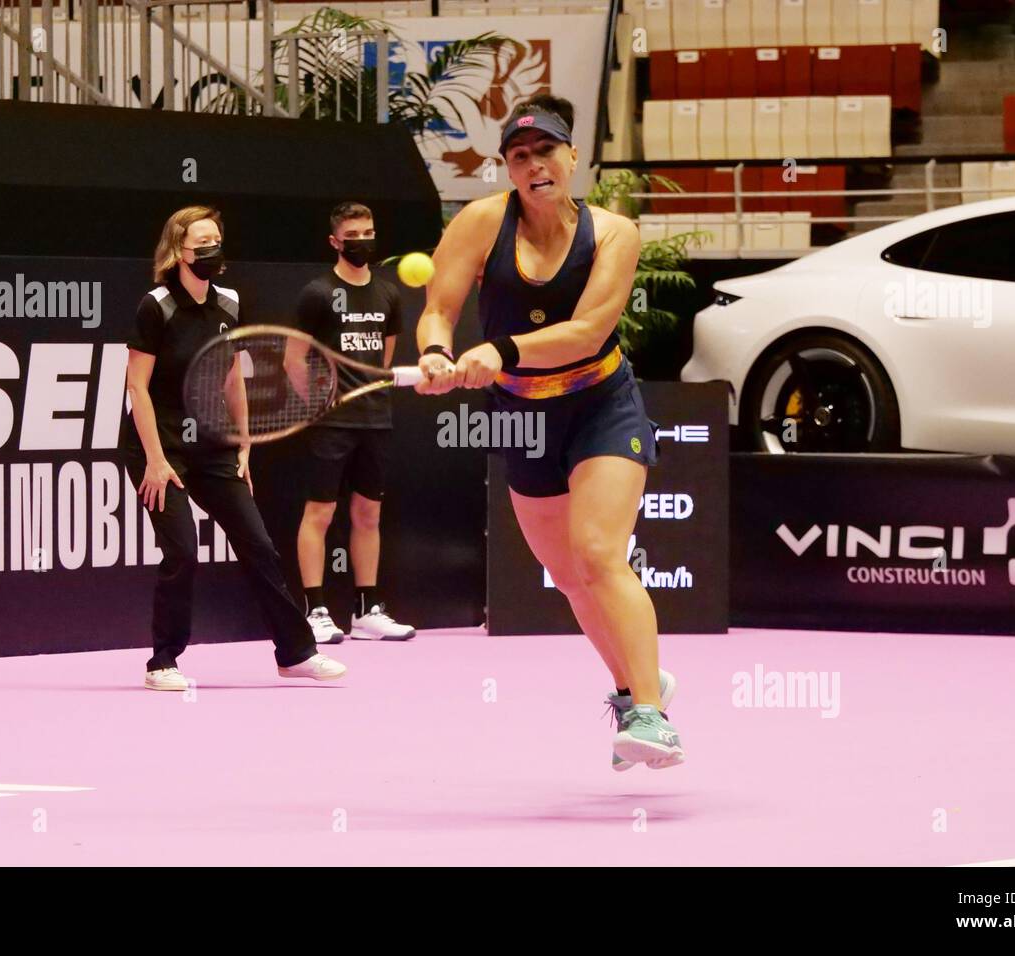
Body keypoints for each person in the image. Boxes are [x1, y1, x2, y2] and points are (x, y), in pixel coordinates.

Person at [414, 95, 683, 769]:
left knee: (597, 553)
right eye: (519, 156)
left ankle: (653, 717)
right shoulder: (480, 223)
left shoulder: (614, 233)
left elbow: (588, 330)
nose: (534, 165)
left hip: (600, 404)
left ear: (573, 157)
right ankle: (632, 688)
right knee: (566, 576)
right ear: (508, 168)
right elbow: (438, 309)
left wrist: (500, 350)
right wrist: (436, 355)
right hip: (522, 417)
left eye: (545, 152)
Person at [122, 205, 347, 690]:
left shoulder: (229, 303)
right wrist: (157, 462)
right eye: (201, 244)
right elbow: (136, 387)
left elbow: (231, 380)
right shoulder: (155, 306)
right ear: (178, 252)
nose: (211, 252)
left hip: (213, 446)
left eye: (216, 242)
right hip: (160, 450)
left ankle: (295, 653)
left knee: (260, 547)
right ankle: (162, 661)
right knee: (182, 552)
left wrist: (244, 446)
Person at [292, 201, 416, 644]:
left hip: (375, 419)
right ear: (335, 242)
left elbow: (383, 359)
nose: (362, 241)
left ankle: (366, 611)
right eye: (353, 235)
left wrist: (371, 394)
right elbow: (294, 361)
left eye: (369, 233)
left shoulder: (387, 294)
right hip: (330, 423)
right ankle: (316, 611)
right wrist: (318, 406)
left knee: (368, 513)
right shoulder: (317, 293)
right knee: (320, 513)